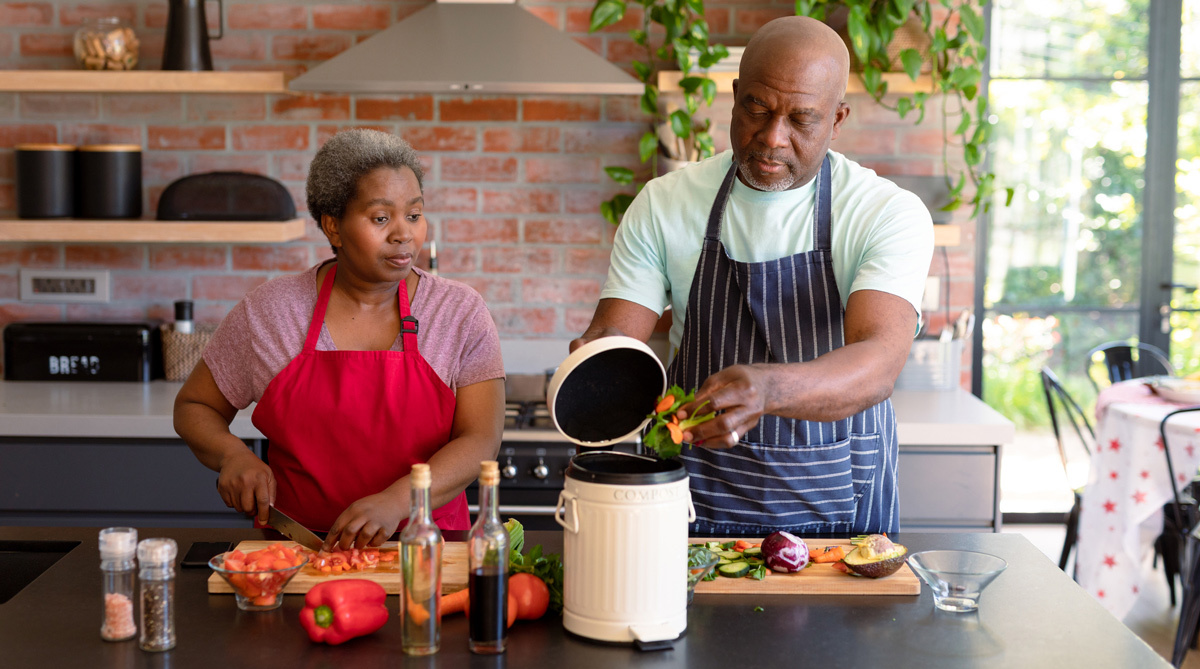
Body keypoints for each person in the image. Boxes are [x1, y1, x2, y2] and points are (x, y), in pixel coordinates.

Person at [571, 16, 934, 536]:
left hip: (837, 508)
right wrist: (593, 367)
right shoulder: (666, 203)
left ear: (838, 119)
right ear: (735, 95)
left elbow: (878, 364)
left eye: (801, 120)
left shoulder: (884, 212)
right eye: (756, 109)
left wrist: (766, 389)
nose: (771, 138)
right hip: (691, 500)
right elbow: (617, 337)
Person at [174, 129, 505, 550]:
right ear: (333, 226)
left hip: (428, 548)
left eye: (415, 215)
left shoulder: (459, 312)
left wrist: (396, 503)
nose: (404, 234)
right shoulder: (271, 312)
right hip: (297, 553)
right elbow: (194, 406)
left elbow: (481, 439)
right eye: (381, 218)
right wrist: (232, 455)